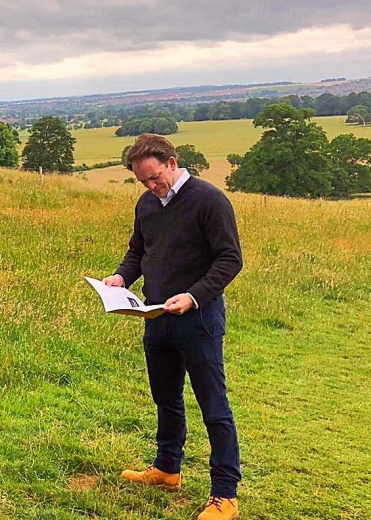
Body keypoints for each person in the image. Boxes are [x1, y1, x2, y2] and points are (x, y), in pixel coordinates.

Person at [103, 134, 243, 520]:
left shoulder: (209, 200)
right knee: (165, 399)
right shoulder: (147, 204)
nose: (150, 186)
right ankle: (167, 469)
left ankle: (225, 495)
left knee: (213, 407)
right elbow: (139, 251)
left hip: (198, 320)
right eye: (142, 181)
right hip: (155, 317)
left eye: (154, 177)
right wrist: (120, 278)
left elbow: (230, 260)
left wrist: (193, 296)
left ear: (171, 162)